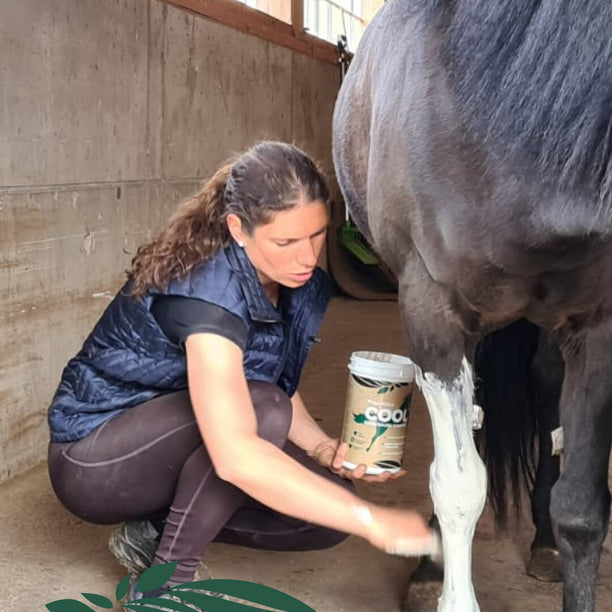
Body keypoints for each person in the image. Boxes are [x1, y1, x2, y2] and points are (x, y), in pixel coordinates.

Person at [47, 142, 435, 602]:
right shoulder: (206, 292)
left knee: (320, 517)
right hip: (94, 459)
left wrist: (325, 448)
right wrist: (369, 520)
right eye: (285, 242)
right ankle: (161, 589)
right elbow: (240, 440)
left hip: (169, 444)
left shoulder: (285, 278)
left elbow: (268, 377)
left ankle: (153, 527)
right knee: (262, 421)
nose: (307, 258)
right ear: (238, 229)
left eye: (316, 235)